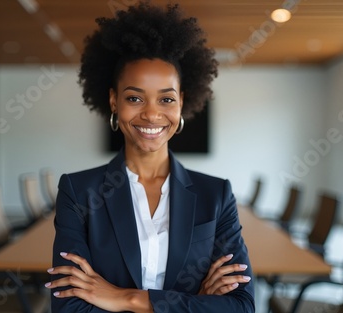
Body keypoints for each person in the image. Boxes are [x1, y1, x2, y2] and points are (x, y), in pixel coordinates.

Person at [45, 2, 255, 312]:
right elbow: (69, 308)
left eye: (166, 99)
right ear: (114, 101)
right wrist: (196, 302)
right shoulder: (79, 192)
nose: (152, 113)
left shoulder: (216, 195)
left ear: (181, 102)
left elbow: (241, 306)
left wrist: (125, 298)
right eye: (134, 97)